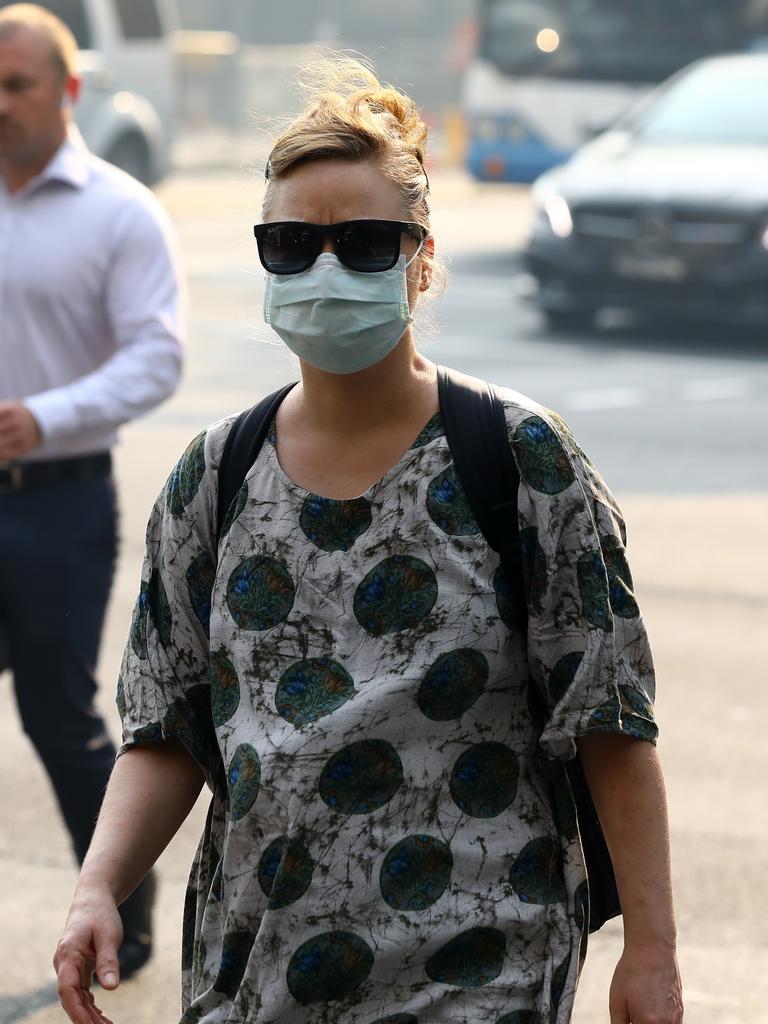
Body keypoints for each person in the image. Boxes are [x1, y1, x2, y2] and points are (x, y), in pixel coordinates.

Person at [54, 58, 683, 1024]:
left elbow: (609, 718)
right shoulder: (213, 476)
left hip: (481, 968)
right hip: (255, 969)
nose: (326, 268)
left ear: (422, 259)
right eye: (291, 244)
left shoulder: (519, 458)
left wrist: (652, 947)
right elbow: (165, 728)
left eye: (365, 241)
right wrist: (99, 886)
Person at [0, 3, 184, 979]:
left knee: (57, 713)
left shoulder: (119, 209)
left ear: (68, 90)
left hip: (59, 502)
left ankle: (123, 913)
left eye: (15, 85)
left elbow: (158, 355)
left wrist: (47, 413)